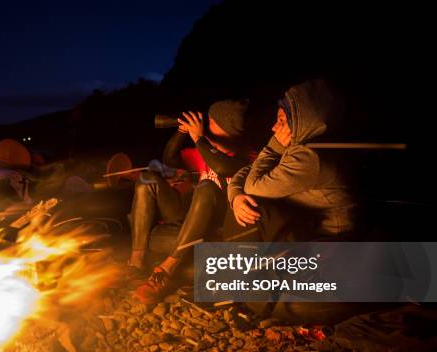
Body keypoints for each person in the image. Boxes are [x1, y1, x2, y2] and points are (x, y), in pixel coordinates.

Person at [130, 99, 252, 304]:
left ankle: (167, 268)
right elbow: (169, 157)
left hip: (213, 232)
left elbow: (222, 167)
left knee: (206, 188)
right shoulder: (202, 151)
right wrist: (182, 131)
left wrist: (198, 138)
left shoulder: (248, 158)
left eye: (211, 122)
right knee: (147, 179)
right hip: (186, 225)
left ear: (226, 128)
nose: (205, 124)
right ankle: (136, 260)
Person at [228, 79, 357, 241]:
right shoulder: (297, 146)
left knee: (255, 205)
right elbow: (250, 170)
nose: (273, 128)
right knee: (246, 205)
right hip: (306, 222)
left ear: (303, 122)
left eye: (281, 121)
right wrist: (235, 197)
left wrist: (272, 149)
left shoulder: (310, 156)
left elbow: (253, 187)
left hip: (330, 237)